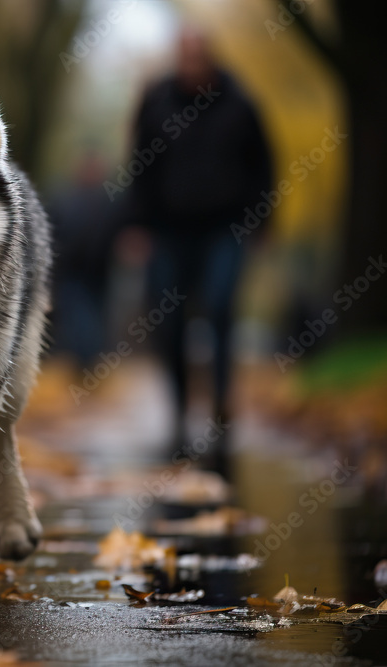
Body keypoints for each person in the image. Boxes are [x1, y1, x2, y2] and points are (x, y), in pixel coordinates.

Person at [129, 27, 273, 478]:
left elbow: (264, 166)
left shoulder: (240, 103)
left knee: (220, 307)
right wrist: (136, 226)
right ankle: (178, 409)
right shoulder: (155, 103)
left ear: (210, 59)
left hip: (225, 228)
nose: (191, 65)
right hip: (168, 230)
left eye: (198, 57)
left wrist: (262, 220)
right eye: (184, 57)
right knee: (167, 322)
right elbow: (139, 169)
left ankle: (220, 406)